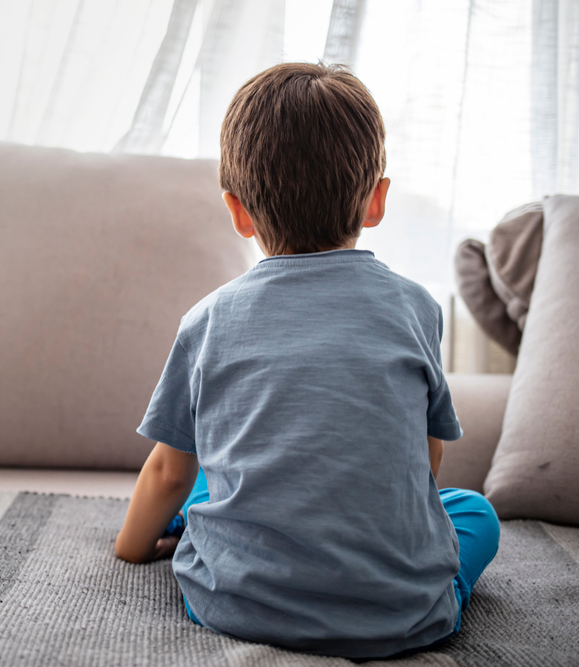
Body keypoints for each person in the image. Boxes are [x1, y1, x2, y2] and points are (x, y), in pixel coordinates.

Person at [113, 62, 500, 660]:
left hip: (235, 605)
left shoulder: (208, 320)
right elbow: (426, 458)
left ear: (237, 210)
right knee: (475, 513)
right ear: (376, 200)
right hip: (402, 619)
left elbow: (167, 469)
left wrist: (129, 551)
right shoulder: (415, 308)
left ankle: (202, 533)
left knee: (202, 486)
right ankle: (411, 592)